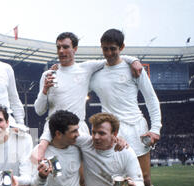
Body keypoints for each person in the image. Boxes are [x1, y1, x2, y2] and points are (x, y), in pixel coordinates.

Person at [89, 28, 162, 186]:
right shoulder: (96, 73)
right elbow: (74, 72)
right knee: (114, 179)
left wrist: (155, 129)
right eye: (105, 49)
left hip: (136, 130)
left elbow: (151, 99)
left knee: (145, 179)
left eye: (113, 49)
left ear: (121, 48)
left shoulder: (134, 70)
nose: (109, 53)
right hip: (110, 133)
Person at [32, 31, 143, 161]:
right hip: (54, 131)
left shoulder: (86, 68)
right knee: (52, 172)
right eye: (58, 47)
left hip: (78, 130)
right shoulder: (48, 75)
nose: (61, 51)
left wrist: (133, 60)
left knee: (84, 177)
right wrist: (45, 90)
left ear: (75, 49)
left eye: (66, 47)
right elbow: (39, 111)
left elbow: (112, 58)